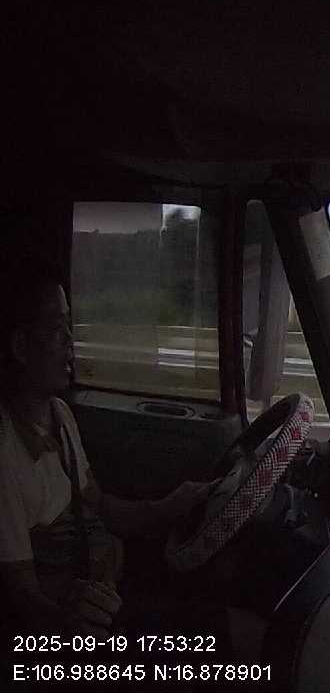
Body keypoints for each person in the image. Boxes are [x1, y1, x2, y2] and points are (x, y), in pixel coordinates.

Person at [0, 271, 211, 637]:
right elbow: (24, 599)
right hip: (87, 617)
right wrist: (73, 619)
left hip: (110, 572)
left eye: (69, 325)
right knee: (231, 632)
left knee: (212, 582)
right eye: (57, 328)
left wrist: (169, 507)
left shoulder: (60, 414)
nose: (70, 340)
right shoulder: (6, 451)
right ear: (20, 346)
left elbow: (99, 506)